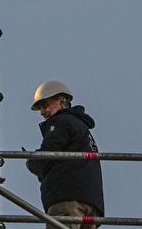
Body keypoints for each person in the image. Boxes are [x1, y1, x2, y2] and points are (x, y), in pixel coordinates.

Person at [26, 81, 105, 229]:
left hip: (67, 199)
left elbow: (48, 154)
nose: (42, 112)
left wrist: (32, 161)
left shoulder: (61, 122)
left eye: (45, 105)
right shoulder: (81, 128)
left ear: (61, 101)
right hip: (91, 204)